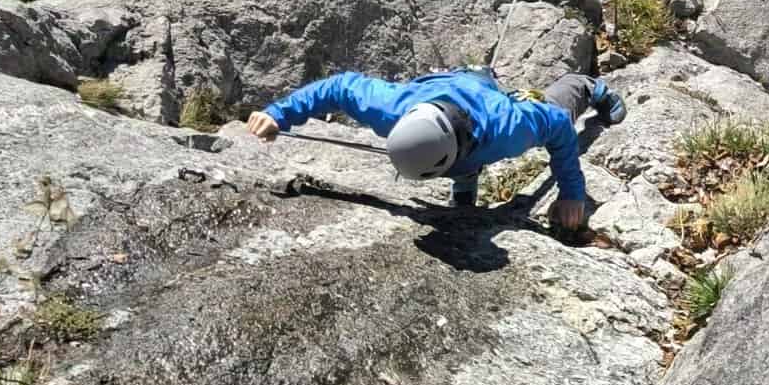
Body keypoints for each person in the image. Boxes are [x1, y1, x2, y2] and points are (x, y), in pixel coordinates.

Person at [244, 68, 626, 230]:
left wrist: (572, 193)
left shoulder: (508, 127)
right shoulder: (390, 110)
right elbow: (338, 87)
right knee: (462, 172)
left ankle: (586, 84)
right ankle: (465, 180)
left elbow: (559, 126)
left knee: (554, 104)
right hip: (440, 85)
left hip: (484, 94)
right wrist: (278, 114)